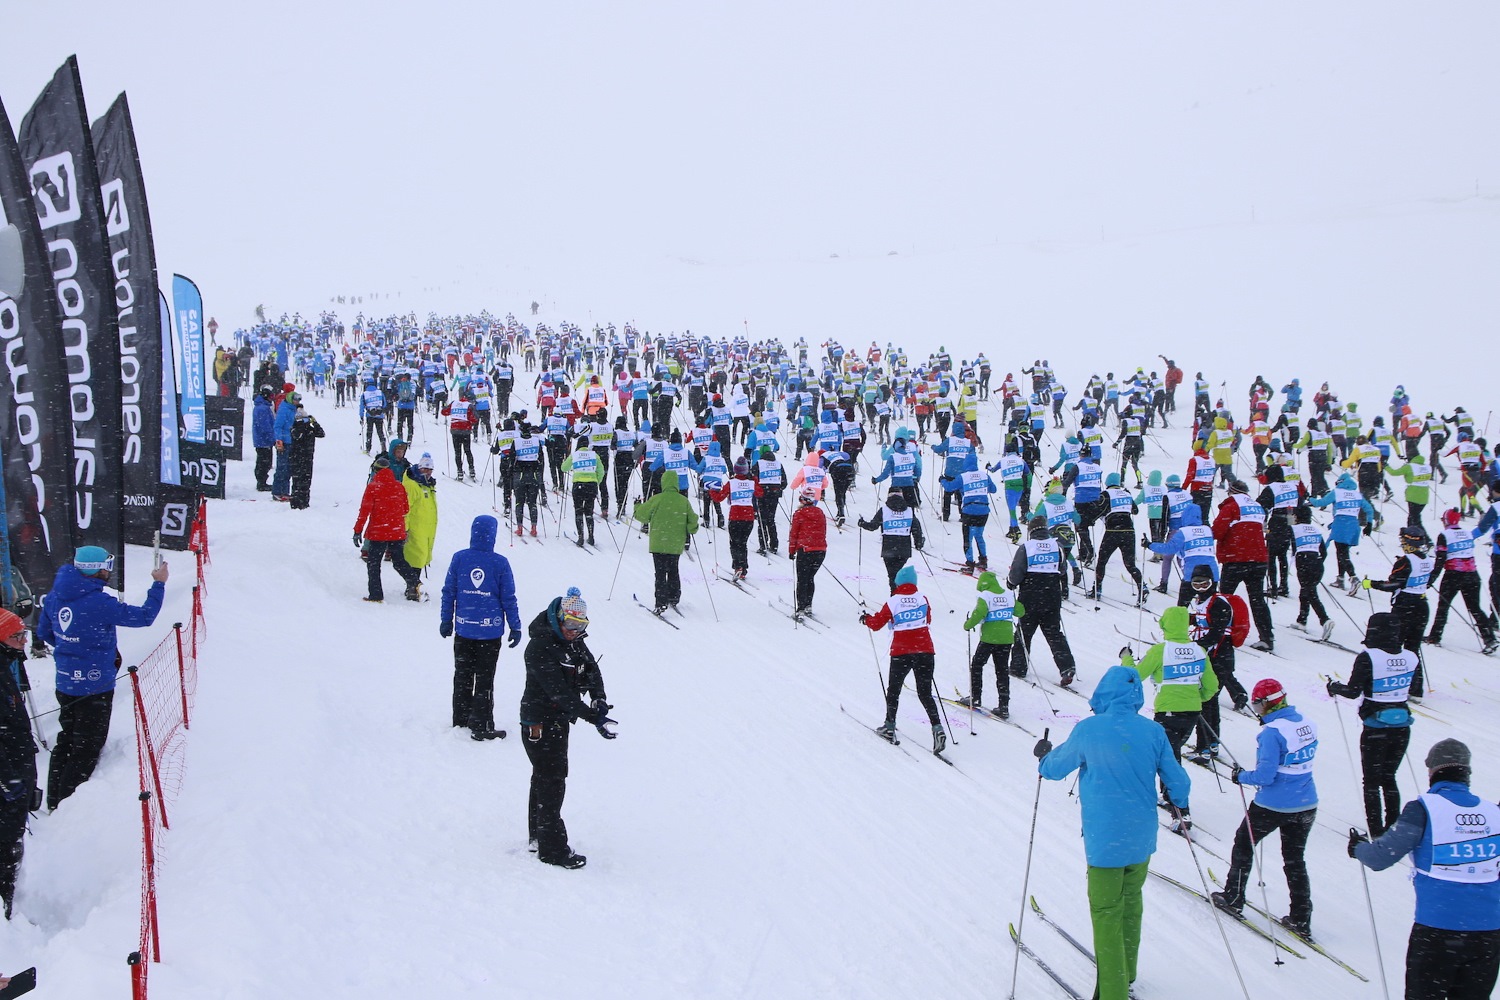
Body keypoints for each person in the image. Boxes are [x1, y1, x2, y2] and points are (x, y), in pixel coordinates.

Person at [1036, 665, 1191, 1000]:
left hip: (1106, 839)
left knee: (1106, 912)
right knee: (1131, 901)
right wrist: (1179, 798)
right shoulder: (1152, 732)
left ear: (1103, 694)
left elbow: (1055, 768)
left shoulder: (1090, 729)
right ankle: (1127, 970)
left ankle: (1113, 992)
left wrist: (1043, 758)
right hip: (1141, 837)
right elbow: (1177, 782)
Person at [1350, 738, 1500, 1000]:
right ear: (1467, 772)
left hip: (1437, 932)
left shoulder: (1422, 810)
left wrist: (1357, 848)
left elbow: (1379, 858)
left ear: (1433, 771)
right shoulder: (1493, 813)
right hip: (1488, 935)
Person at [36, 547, 168, 811]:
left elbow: (45, 633)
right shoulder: (99, 602)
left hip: (65, 682)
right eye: (108, 564)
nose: (110, 570)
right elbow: (144, 616)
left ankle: (54, 800)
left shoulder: (55, 596)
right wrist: (158, 584)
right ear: (97, 568)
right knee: (86, 747)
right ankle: (67, 808)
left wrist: (72, 651)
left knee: (67, 739)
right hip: (95, 687)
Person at [1212, 678, 1318, 938]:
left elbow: (1265, 776)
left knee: (1244, 844)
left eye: (1256, 704)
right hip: (1306, 803)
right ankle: (1301, 917)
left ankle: (1234, 898)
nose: (1254, 709)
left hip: (1273, 804)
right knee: (1294, 860)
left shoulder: (1272, 732)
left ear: (1265, 704)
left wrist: (1241, 777)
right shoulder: (1305, 723)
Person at [520, 588, 614, 869]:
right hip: (540, 722)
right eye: (571, 625)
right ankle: (552, 849)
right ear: (558, 618)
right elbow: (558, 692)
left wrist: (598, 698)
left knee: (545, 777)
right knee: (552, 781)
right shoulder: (539, 646)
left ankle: (538, 836)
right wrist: (591, 717)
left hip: (559, 720)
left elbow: (590, 670)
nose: (575, 631)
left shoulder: (572, 641)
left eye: (580, 626)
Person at [1327, 612, 1420, 835]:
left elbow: (1353, 691)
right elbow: (1415, 688)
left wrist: (1334, 687)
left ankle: (1375, 830)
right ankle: (1393, 824)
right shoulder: (1411, 656)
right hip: (1402, 725)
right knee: (1389, 777)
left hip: (1375, 726)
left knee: (1371, 781)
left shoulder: (1368, 656)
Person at [1133, 606, 1218, 829]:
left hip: (1168, 713)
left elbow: (1134, 676)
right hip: (1191, 713)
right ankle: (1169, 796)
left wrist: (1125, 660)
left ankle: (1182, 812)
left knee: (1169, 761)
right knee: (1169, 754)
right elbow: (1212, 686)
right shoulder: (1199, 651)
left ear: (1164, 625)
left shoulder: (1161, 651)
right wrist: (1195, 697)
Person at [439, 515, 523, 741]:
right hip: (490, 632)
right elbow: (508, 598)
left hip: (464, 630)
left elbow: (449, 591)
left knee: (462, 675)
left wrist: (446, 619)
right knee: (485, 678)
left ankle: (461, 718)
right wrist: (515, 626)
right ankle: (482, 724)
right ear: (493, 535)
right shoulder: (500, 563)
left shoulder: (460, 559)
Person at [860, 566, 945, 752]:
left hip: (902, 652)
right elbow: (927, 620)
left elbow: (876, 624)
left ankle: (889, 726)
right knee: (925, 693)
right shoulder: (923, 598)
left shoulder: (894, 601)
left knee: (894, 690)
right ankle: (937, 727)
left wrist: (866, 619)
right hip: (925, 650)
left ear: (898, 582)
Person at [1007, 514, 1077, 686]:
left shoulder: (1027, 547)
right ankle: (1067, 666)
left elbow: (1017, 572)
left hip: (1030, 594)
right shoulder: (1057, 546)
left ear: (1031, 531)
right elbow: (1062, 570)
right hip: (1052, 594)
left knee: (1024, 632)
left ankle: (1018, 667)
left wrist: (1011, 583)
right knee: (1054, 632)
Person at [0, 611, 37, 919]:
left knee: (11, 840)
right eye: (17, 636)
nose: (24, 641)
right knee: (6, 843)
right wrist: (8, 780)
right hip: (7, 775)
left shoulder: (6, 666)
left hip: (16, 768)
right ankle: (5, 904)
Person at [353, 456, 423, 603]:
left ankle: (376, 595)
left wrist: (358, 530)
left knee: (374, 564)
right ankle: (414, 581)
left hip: (378, 532)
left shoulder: (373, 486)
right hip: (396, 531)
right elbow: (405, 509)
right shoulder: (399, 486)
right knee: (398, 561)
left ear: (376, 470)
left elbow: (364, 511)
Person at [958, 571, 1024, 719]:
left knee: (977, 665)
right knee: (1002, 671)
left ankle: (975, 697)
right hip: (1006, 638)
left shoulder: (985, 595)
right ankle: (1004, 706)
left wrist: (968, 624)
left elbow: (980, 612)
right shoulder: (1008, 594)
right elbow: (1020, 612)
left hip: (989, 638)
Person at [632, 470, 699, 614]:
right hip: (676, 544)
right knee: (673, 570)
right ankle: (674, 596)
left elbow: (642, 516)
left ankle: (661, 601)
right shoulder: (683, 501)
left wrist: (637, 506)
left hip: (659, 543)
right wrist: (692, 528)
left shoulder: (657, 499)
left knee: (660, 572)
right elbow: (692, 522)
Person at [857, 489, 925, 590]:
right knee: (898, 572)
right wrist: (918, 542)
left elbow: (873, 526)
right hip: (904, 549)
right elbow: (916, 528)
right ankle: (901, 592)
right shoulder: (909, 511)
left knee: (892, 575)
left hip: (888, 548)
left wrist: (862, 523)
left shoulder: (884, 510)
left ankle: (895, 595)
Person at [787, 485, 829, 616]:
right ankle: (808, 605)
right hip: (820, 550)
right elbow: (823, 531)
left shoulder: (799, 514)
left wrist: (791, 550)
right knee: (810, 578)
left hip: (805, 550)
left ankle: (800, 607)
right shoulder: (820, 513)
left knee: (802, 579)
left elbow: (794, 533)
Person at [402, 454, 439, 575]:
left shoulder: (427, 485)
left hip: (424, 529)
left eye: (430, 470)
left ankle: (414, 586)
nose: (427, 472)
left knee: (420, 557)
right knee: (415, 558)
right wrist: (405, 529)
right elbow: (405, 509)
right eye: (425, 469)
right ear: (419, 468)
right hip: (415, 529)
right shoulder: (412, 485)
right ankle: (412, 587)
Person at [287, 404, 326, 510]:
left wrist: (314, 424)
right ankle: (299, 502)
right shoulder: (301, 429)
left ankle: (300, 502)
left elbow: (321, 434)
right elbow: (320, 433)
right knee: (302, 481)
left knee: (300, 481)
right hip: (302, 458)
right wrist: (314, 423)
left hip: (302, 458)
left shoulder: (305, 429)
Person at [271, 390, 301, 501]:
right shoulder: (284, 409)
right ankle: (277, 491)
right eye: (295, 400)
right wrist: (279, 440)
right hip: (284, 442)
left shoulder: (294, 409)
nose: (297, 402)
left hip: (292, 442)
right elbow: (277, 426)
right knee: (282, 467)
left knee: (289, 468)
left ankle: (285, 491)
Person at [251, 384, 276, 491]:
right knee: (264, 462)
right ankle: (261, 482)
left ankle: (262, 481)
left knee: (264, 461)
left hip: (262, 440)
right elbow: (265, 426)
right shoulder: (262, 409)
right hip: (263, 440)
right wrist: (272, 439)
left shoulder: (263, 407)